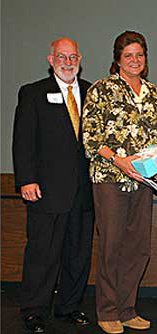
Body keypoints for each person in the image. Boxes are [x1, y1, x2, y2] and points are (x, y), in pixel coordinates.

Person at [82, 31, 157, 334]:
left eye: (140, 55)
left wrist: (156, 161)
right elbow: (91, 138)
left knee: (139, 248)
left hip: (143, 181)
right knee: (112, 246)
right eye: (128, 55)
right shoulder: (101, 90)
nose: (135, 60)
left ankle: (128, 308)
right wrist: (120, 161)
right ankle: (107, 310)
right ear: (117, 59)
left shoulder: (154, 92)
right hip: (110, 180)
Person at [12, 37, 94, 333]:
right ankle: (34, 310)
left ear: (80, 59)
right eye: (62, 56)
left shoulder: (91, 92)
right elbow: (23, 141)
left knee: (78, 254)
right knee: (42, 254)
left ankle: (69, 307)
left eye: (73, 56)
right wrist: (26, 179)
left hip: (84, 193)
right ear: (51, 59)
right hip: (45, 191)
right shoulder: (33, 93)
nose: (68, 61)